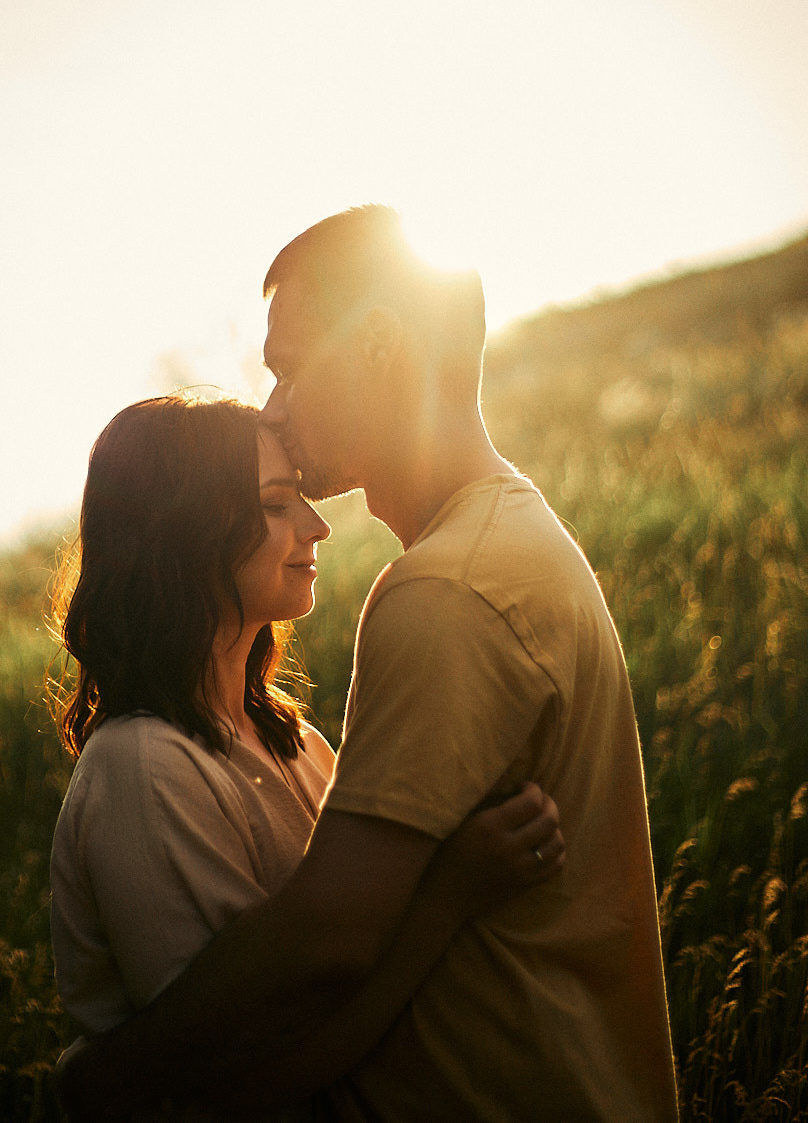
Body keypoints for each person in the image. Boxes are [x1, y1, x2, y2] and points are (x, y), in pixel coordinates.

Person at [58, 207, 679, 1122]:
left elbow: (329, 942)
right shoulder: (500, 548)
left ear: (380, 345)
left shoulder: (450, 589)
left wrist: (104, 1083)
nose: (273, 405)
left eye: (291, 368)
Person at [50, 391, 565, 1119]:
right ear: (186, 530)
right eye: (276, 503)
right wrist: (446, 899)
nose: (318, 525)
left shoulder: (297, 746)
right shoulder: (143, 768)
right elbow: (241, 1076)